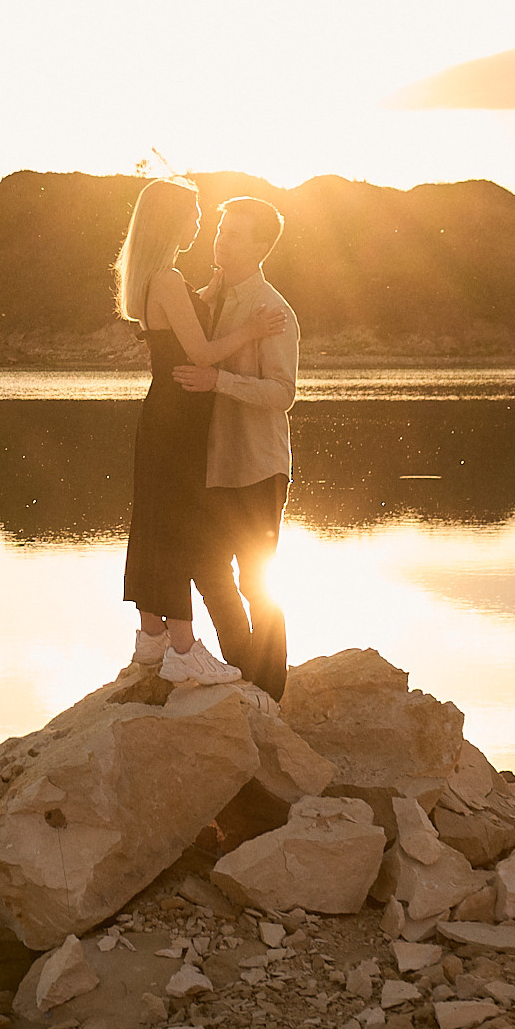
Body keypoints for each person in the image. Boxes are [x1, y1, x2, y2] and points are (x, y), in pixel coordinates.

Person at [115, 178, 283, 685]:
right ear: (170, 220)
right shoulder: (166, 279)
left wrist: (212, 291)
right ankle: (184, 650)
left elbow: (187, 324)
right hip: (177, 420)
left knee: (155, 524)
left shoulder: (158, 280)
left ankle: (152, 639)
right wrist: (252, 331)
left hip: (168, 415)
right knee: (175, 529)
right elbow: (202, 353)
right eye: (192, 214)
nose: (199, 224)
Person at [172, 195, 297, 698]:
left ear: (262, 246)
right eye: (219, 231)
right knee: (206, 568)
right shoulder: (206, 297)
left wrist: (217, 381)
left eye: (234, 234)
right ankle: (245, 671)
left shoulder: (274, 310)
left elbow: (282, 394)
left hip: (259, 466)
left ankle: (271, 689)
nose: (220, 240)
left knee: (256, 582)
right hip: (213, 465)